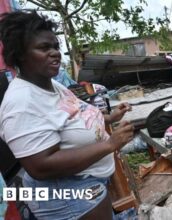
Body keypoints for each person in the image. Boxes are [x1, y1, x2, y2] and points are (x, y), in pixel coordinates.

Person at [0, 10, 134, 219]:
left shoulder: (51, 84)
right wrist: (109, 144)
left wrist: (110, 117)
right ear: (20, 54)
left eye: (55, 46)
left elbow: (76, 114)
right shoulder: (21, 102)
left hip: (87, 182)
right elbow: (40, 166)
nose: (55, 53)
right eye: (44, 48)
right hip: (68, 194)